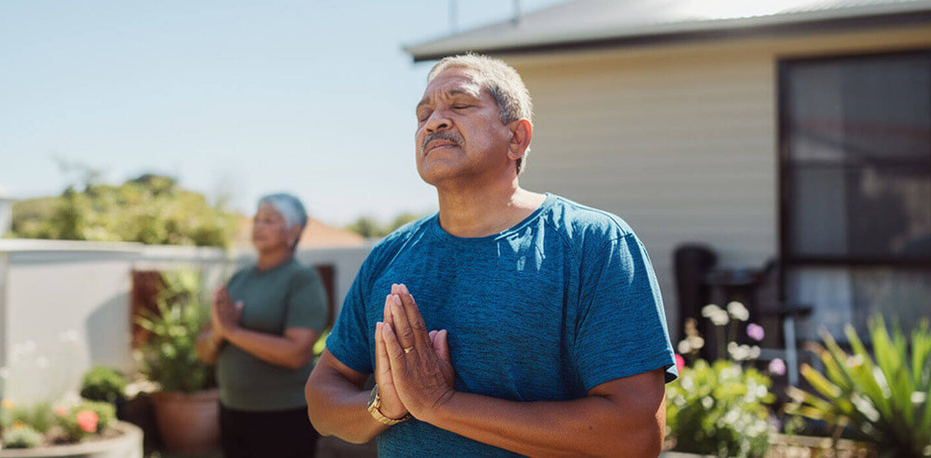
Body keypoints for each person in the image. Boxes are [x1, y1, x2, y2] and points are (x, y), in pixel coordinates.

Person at [304, 54, 677, 457]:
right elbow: (322, 397)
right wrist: (385, 407)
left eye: (460, 105)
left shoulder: (593, 243)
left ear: (516, 138)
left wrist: (440, 405)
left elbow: (636, 435)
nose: (434, 121)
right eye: (423, 114)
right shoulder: (388, 255)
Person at [195, 193, 328, 458]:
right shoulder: (239, 279)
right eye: (257, 219)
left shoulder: (302, 279)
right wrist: (219, 335)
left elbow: (296, 353)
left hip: (283, 417)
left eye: (269, 220)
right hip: (232, 411)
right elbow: (204, 350)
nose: (258, 225)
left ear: (294, 230)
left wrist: (233, 332)